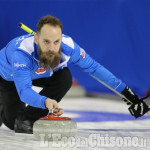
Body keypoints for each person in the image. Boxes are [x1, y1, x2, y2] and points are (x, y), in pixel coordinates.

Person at [0, 15, 149, 134]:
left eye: (56, 42)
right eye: (46, 42)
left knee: (64, 78)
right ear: (36, 39)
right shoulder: (21, 54)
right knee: (10, 121)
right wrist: (45, 101)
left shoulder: (68, 47)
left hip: (41, 73)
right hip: (9, 77)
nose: (52, 48)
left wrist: (131, 97)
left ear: (61, 38)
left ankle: (27, 119)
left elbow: (96, 69)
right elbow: (24, 91)